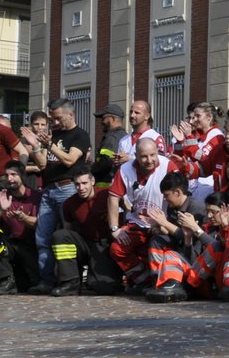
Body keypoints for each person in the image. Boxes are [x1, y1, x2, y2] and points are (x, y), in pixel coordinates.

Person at [25, 97, 90, 292]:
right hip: (49, 189)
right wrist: (36, 146)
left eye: (58, 118)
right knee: (42, 237)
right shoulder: (53, 134)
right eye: (53, 118)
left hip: (68, 188)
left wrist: (50, 145)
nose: (55, 122)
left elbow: (70, 160)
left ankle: (70, 280)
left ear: (71, 114)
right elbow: (43, 164)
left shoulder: (80, 135)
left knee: (66, 236)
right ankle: (46, 280)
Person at [108, 136, 172, 290]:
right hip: (137, 222)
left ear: (158, 152)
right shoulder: (125, 169)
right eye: (144, 156)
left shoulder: (168, 166)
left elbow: (179, 195)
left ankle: (163, 282)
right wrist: (115, 228)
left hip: (163, 224)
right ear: (135, 156)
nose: (149, 160)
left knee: (159, 249)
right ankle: (143, 280)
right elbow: (113, 197)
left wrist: (166, 223)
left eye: (153, 155)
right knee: (117, 248)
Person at [50, 167, 121, 296]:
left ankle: (98, 278)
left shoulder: (107, 195)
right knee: (60, 235)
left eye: (84, 183)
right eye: (77, 184)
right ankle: (70, 282)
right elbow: (67, 231)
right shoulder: (69, 203)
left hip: (105, 245)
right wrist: (60, 264)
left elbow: (127, 208)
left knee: (104, 288)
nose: (81, 188)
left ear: (92, 181)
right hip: (84, 243)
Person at [0, 159, 42, 292]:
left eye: (13, 175)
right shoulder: (0, 196)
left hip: (31, 245)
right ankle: (6, 281)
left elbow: (40, 224)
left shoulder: (35, 196)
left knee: (30, 285)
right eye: (7, 175)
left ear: (22, 176)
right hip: (10, 244)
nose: (9, 179)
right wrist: (1, 210)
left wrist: (24, 218)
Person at [91, 103, 128, 190]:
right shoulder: (125, 136)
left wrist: (90, 170)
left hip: (105, 186)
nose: (102, 122)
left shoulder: (112, 138)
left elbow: (106, 162)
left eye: (103, 118)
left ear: (112, 118)